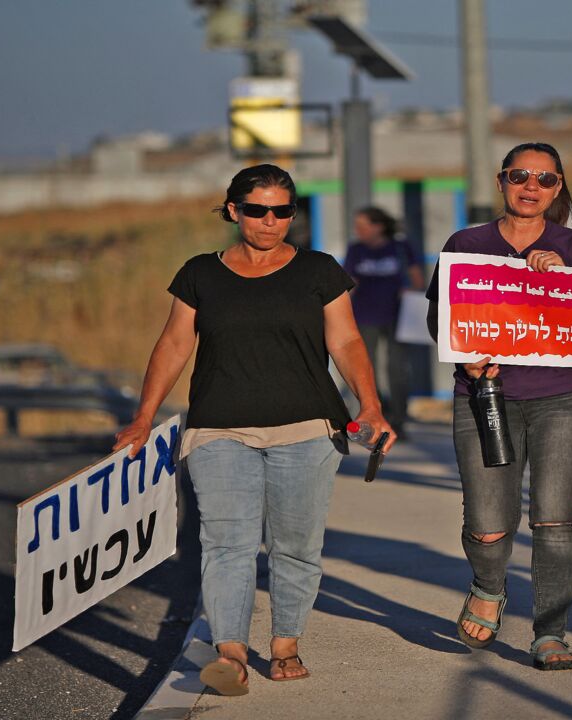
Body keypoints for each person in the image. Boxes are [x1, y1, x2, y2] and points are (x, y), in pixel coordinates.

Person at [113, 164, 394, 696]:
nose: (271, 221)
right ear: (234, 210)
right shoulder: (200, 273)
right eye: (259, 210)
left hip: (308, 428)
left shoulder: (319, 270)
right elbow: (175, 344)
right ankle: (232, 654)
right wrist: (143, 417)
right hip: (220, 428)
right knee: (226, 543)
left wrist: (372, 407)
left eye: (283, 211)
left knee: (294, 546)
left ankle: (286, 644)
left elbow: (348, 342)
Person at [426, 142, 572, 671]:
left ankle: (550, 633)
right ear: (502, 181)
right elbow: (441, 319)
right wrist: (467, 363)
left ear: (558, 188)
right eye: (521, 175)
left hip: (565, 398)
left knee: (556, 522)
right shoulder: (466, 241)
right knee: (487, 523)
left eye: (546, 179)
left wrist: (563, 279)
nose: (532, 187)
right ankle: (488, 585)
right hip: (484, 397)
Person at [345, 206, 426, 437]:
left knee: (397, 369)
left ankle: (399, 419)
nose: (358, 230)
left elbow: (417, 279)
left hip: (397, 317)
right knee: (365, 368)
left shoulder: (400, 247)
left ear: (378, 226)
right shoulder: (356, 250)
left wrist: (409, 290)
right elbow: (349, 282)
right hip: (365, 316)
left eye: (363, 225)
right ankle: (378, 412)